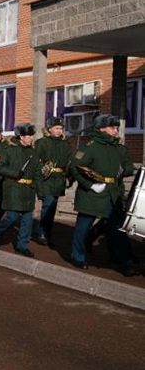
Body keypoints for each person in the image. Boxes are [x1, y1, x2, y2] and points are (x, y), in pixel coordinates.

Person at [68, 114, 139, 276]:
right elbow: (75, 167)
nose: (116, 130)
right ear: (101, 129)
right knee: (83, 227)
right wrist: (90, 185)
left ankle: (123, 261)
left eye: (116, 127)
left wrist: (124, 170)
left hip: (113, 193)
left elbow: (129, 166)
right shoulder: (90, 147)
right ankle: (77, 255)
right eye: (112, 127)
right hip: (92, 195)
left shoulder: (119, 148)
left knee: (117, 229)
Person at [0, 123, 40, 258]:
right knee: (12, 216)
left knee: (28, 220)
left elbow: (36, 171)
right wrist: (14, 173)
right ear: (21, 137)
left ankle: (22, 246)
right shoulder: (9, 150)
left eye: (31, 135)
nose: (30, 138)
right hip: (14, 188)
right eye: (27, 136)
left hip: (28, 190)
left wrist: (38, 187)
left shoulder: (34, 152)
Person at [32, 117, 72, 247]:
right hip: (46, 179)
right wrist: (38, 183)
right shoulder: (42, 143)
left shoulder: (65, 144)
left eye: (61, 128)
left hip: (59, 179)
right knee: (47, 206)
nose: (59, 131)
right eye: (56, 128)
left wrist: (69, 178)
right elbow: (36, 163)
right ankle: (42, 233)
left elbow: (69, 162)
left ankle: (46, 233)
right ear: (49, 129)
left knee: (52, 208)